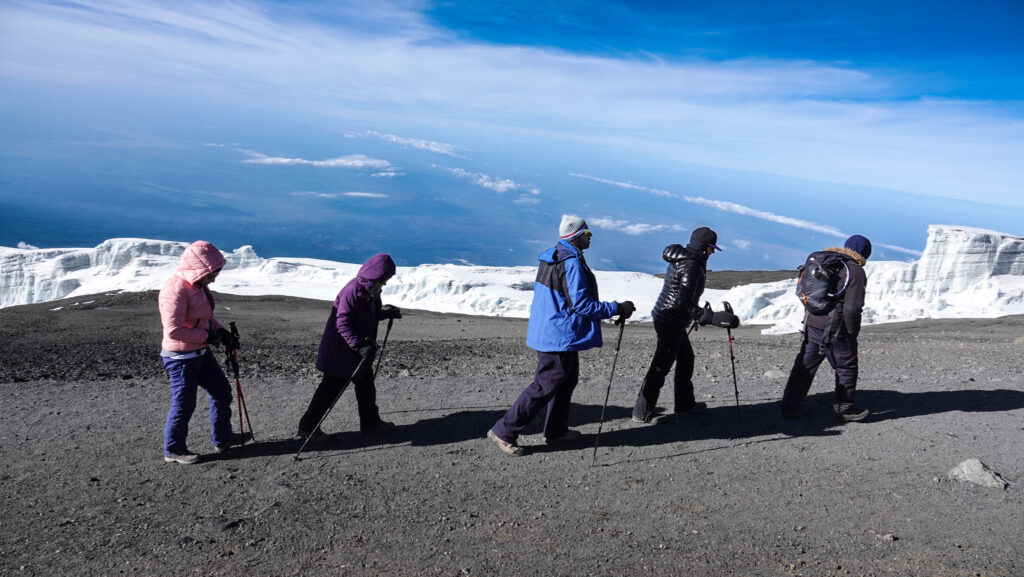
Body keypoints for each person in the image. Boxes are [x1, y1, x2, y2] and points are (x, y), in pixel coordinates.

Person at [487, 215, 634, 456]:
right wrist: (617, 308)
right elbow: (582, 305)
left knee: (566, 381)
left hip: (551, 329)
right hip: (559, 334)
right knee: (545, 385)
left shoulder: (553, 256)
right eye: (587, 233)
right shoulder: (571, 262)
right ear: (576, 236)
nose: (591, 236)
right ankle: (504, 430)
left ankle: (556, 431)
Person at [158, 240, 250, 464]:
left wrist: (222, 333)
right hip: (180, 358)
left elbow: (205, 318)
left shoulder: (199, 285)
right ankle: (173, 450)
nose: (214, 278)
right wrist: (209, 337)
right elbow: (174, 330)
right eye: (212, 273)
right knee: (184, 404)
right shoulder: (175, 288)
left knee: (222, 393)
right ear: (199, 268)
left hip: (200, 353)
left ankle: (223, 439)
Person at [297, 253, 403, 439]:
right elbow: (343, 322)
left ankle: (370, 424)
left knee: (366, 386)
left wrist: (383, 314)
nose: (385, 284)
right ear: (375, 276)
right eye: (384, 279)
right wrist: (360, 345)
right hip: (341, 351)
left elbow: (365, 315)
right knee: (330, 389)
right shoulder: (352, 291)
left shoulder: (371, 291)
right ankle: (307, 428)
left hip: (359, 351)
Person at [631, 226, 721, 423]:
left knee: (686, 359)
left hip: (666, 317)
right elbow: (684, 302)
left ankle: (684, 405)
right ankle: (641, 411)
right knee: (661, 366)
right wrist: (708, 317)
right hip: (672, 320)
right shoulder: (692, 266)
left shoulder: (683, 259)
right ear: (704, 246)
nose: (713, 252)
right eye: (711, 247)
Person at [780, 234, 872, 421]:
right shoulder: (855, 271)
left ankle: (790, 406)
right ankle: (845, 409)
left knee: (804, 365)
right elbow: (852, 308)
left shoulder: (828, 261)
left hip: (812, 323)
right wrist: (852, 333)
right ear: (864, 254)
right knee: (846, 366)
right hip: (836, 328)